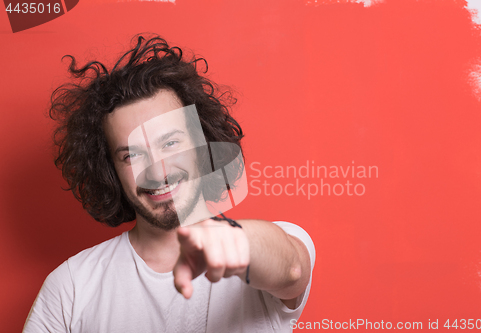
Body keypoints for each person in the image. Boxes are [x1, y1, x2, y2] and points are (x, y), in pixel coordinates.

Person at [23, 35, 315, 333]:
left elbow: (291, 270)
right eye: (132, 155)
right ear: (110, 169)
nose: (158, 171)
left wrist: (233, 242)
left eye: (171, 143)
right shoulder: (71, 287)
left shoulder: (276, 245)